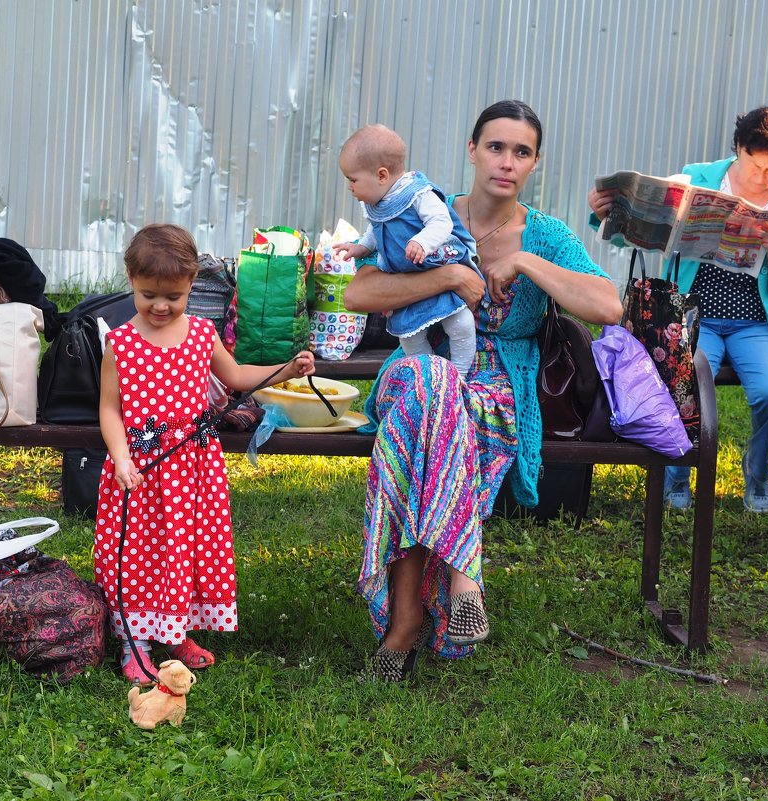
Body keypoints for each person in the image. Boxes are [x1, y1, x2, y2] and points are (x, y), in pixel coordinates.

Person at [343, 101, 623, 681]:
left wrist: (526, 262)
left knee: (424, 417)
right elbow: (358, 293)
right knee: (431, 379)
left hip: (496, 386)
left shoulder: (543, 234)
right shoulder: (425, 211)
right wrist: (447, 276)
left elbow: (608, 305)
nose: (507, 161)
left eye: (521, 152)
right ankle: (464, 574)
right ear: (472, 150)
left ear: (535, 163)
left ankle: (401, 631)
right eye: (496, 147)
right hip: (420, 366)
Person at [94, 223, 315, 684]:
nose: (161, 305)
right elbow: (110, 410)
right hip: (142, 471)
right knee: (142, 555)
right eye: (149, 293)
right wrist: (121, 458)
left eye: (173, 295)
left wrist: (287, 368)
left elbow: (235, 376)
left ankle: (176, 633)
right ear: (131, 280)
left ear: (191, 284)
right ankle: (136, 644)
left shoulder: (200, 333)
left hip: (193, 471)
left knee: (187, 551)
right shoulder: (120, 344)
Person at [589, 105, 768, 513]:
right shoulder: (697, 178)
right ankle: (679, 472)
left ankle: (759, 467)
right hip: (692, 314)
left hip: (758, 322)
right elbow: (639, 237)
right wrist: (605, 216)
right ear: (738, 148)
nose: (762, 176)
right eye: (755, 164)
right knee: (687, 384)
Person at [334, 124, 483, 376]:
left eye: (353, 180)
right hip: (410, 283)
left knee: (460, 324)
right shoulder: (380, 202)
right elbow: (377, 230)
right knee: (409, 336)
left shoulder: (417, 194)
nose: (349, 187)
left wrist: (422, 242)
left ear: (382, 175)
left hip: (438, 266)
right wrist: (361, 247)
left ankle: (459, 374)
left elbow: (442, 222)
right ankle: (429, 375)